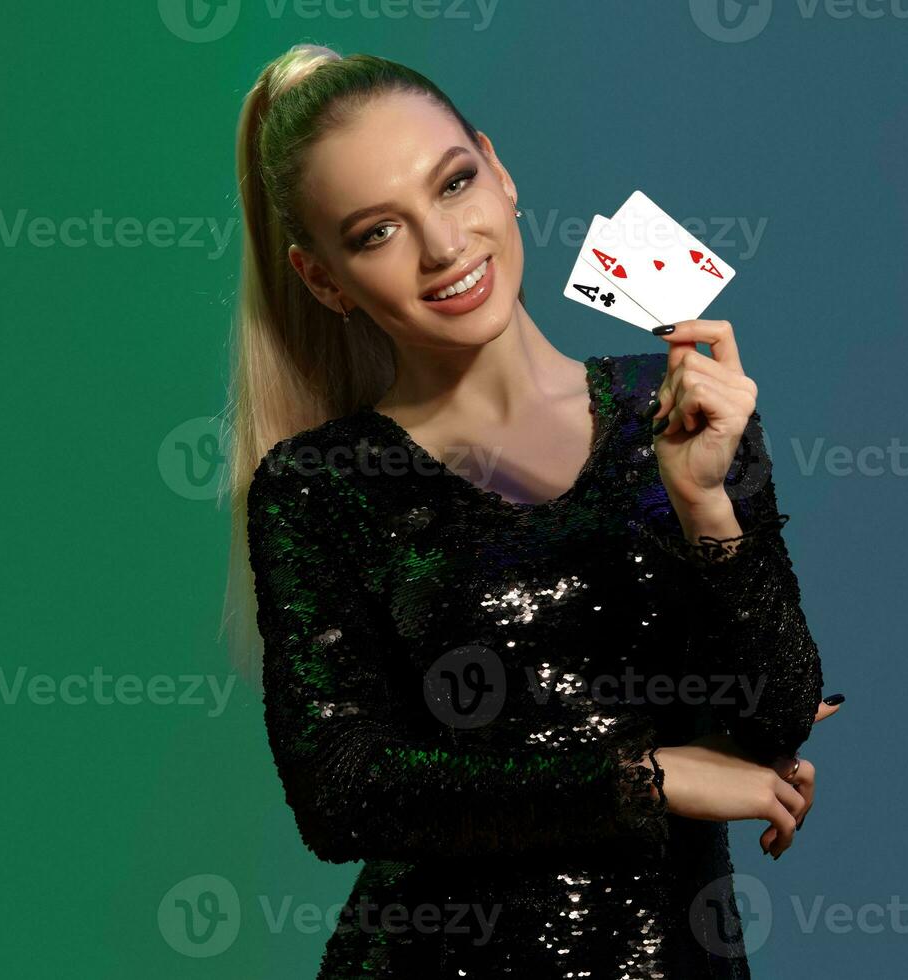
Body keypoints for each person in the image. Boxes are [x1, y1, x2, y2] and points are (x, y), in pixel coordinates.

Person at [222, 42, 842, 979]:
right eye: (375, 232)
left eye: (453, 183)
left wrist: (705, 500)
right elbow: (345, 793)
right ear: (323, 280)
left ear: (500, 172)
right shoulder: (322, 485)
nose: (442, 248)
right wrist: (651, 777)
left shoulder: (671, 404)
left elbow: (775, 716)